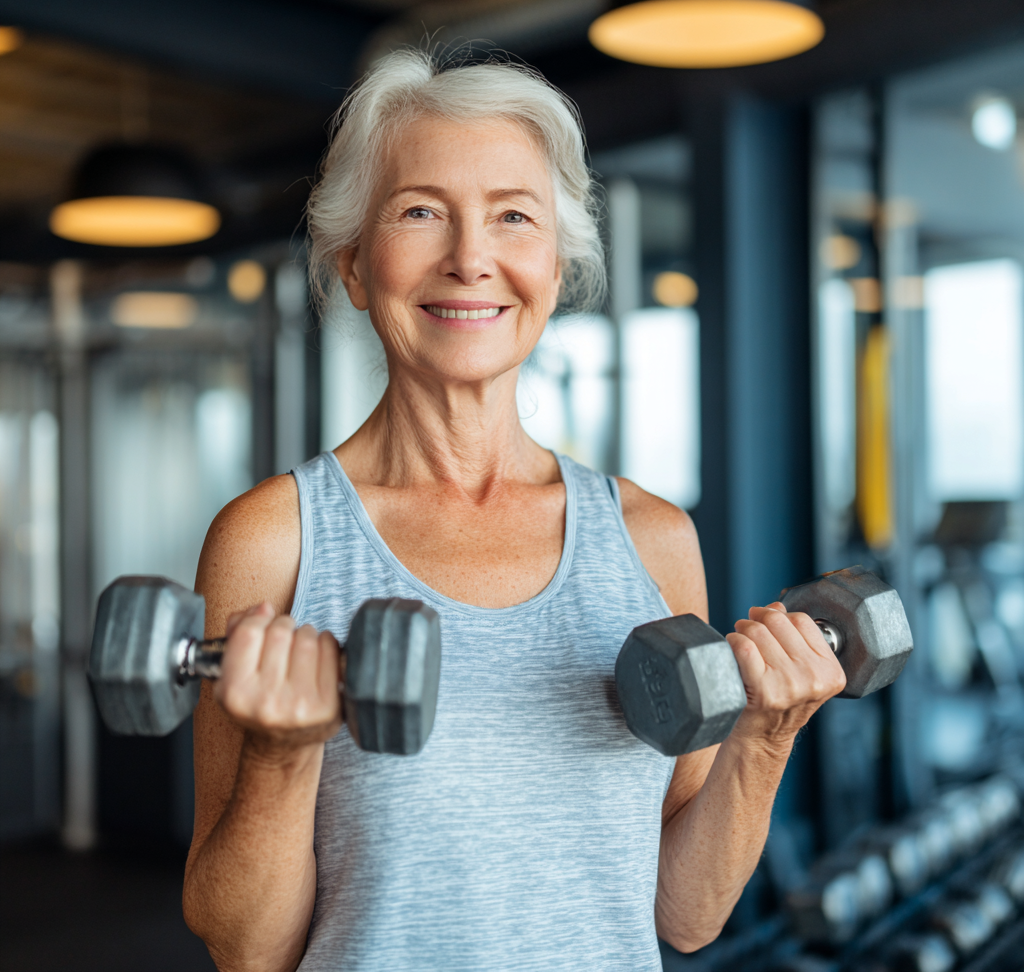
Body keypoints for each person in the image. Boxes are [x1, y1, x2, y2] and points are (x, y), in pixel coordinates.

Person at [182, 49, 845, 972]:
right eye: (420, 212)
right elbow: (245, 948)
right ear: (356, 266)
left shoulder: (651, 540)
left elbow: (685, 915)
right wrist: (282, 758)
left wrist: (768, 738)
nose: (470, 258)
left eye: (513, 217)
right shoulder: (273, 541)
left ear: (557, 265)